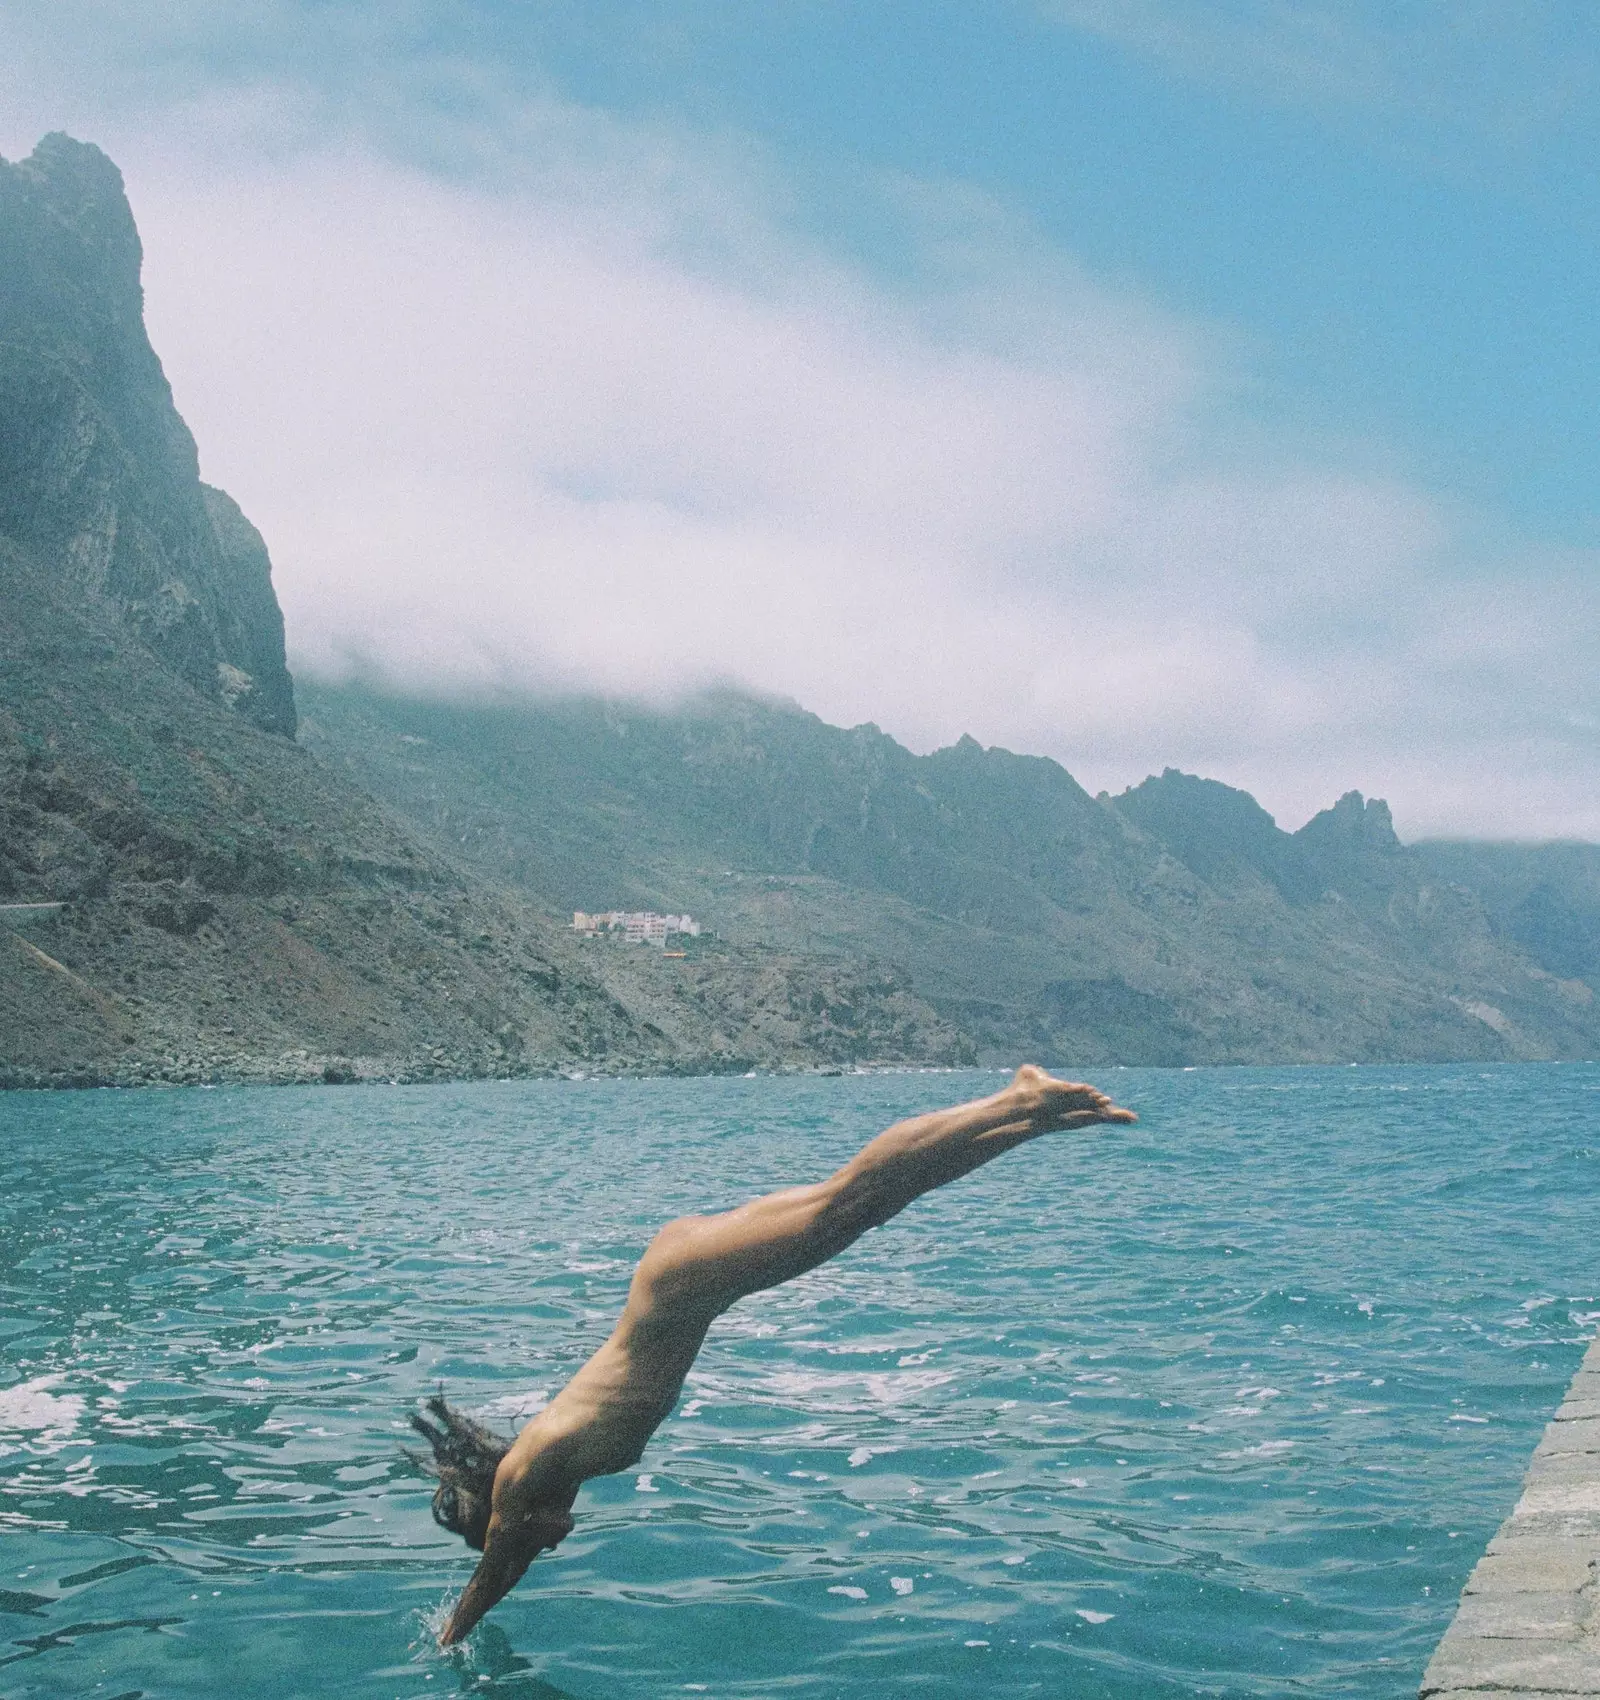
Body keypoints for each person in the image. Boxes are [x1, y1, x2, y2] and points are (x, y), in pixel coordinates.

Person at [410, 1065, 1137, 1646]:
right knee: (871, 1207)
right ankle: (1033, 1119)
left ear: (495, 1516)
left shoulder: (522, 1483)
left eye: (511, 1540)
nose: (548, 1549)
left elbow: (500, 1569)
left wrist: (451, 1634)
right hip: (680, 1279)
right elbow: (519, 1548)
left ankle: (1011, 1098)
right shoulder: (548, 1475)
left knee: (846, 1199)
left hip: (683, 1285)